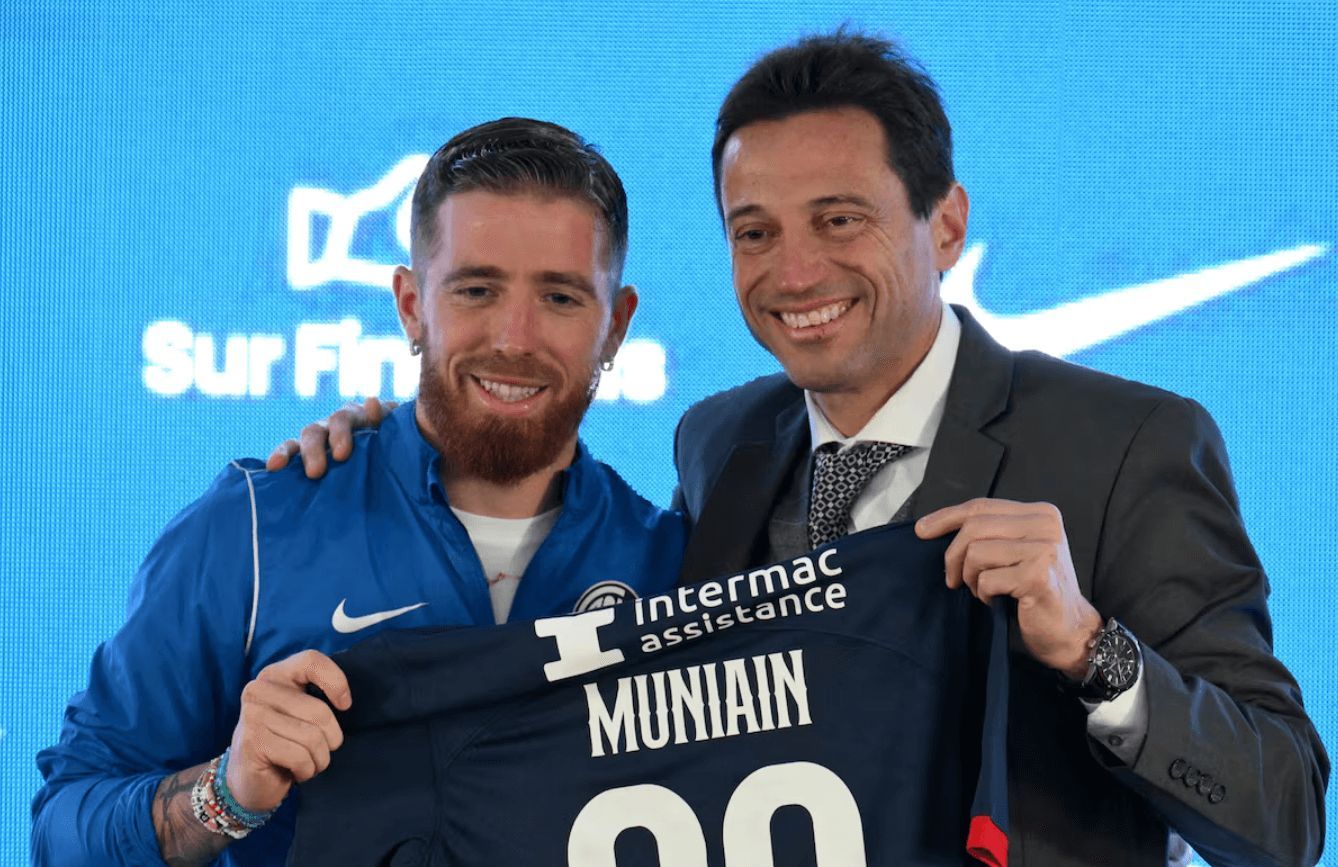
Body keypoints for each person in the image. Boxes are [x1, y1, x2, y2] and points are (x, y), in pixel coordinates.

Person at [284, 34, 1328, 865]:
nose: (794, 273)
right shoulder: (721, 444)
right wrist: (386, 446)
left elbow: (1285, 812)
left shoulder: (1128, 445)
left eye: (839, 220)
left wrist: (1094, 650)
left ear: (946, 224)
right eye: (755, 232)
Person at [31, 118, 688, 866]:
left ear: (616, 324)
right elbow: (61, 832)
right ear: (411, 305)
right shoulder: (256, 530)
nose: (514, 336)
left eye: (561, 298)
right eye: (476, 290)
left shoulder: (675, 567)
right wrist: (225, 791)